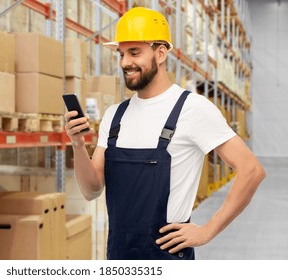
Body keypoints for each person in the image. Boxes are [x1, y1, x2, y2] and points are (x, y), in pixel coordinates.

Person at [64, 7, 265, 260]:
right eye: (121, 54)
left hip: (167, 257)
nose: (125, 62)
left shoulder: (192, 108)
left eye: (134, 52)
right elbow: (91, 189)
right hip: (119, 255)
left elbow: (252, 170)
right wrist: (78, 145)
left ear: (160, 53)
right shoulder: (114, 115)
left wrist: (207, 230)